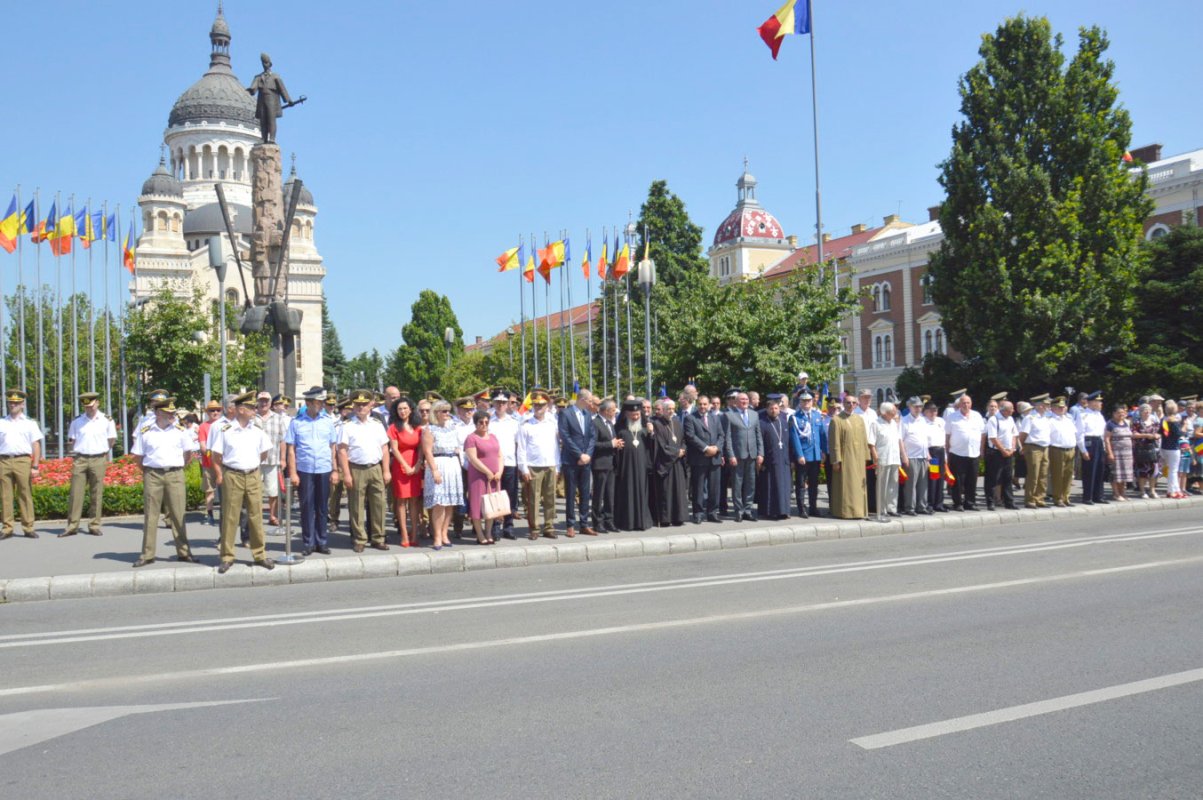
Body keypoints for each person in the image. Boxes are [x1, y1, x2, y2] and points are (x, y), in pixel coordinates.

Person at [129, 396, 199, 566]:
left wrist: (178, 466)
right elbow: (137, 457)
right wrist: (148, 470)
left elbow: (188, 454)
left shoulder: (179, 431)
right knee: (151, 516)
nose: (172, 415)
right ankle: (147, 554)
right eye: (169, 412)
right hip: (153, 474)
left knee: (178, 514)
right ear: (158, 412)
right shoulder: (146, 432)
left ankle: (184, 552)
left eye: (173, 412)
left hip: (175, 473)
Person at [212, 391, 275, 573]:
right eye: (250, 407)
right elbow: (217, 456)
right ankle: (227, 556)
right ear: (240, 409)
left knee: (256, 515)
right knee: (230, 516)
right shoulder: (225, 430)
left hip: (253, 474)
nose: (254, 410)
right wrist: (222, 473)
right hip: (233, 475)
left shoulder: (257, 431)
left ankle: (260, 554)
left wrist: (252, 465)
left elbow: (264, 453)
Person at [286, 385, 338, 556]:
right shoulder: (296, 423)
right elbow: (291, 449)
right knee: (307, 507)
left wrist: (335, 470)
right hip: (305, 469)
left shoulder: (327, 422)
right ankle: (308, 542)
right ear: (308, 403)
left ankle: (322, 541)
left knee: (323, 507)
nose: (322, 405)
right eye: (318, 402)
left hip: (324, 469)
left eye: (322, 402)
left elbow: (332, 447)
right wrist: (293, 473)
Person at [339, 389, 392, 553]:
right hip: (356, 469)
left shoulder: (377, 425)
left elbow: (384, 449)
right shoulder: (347, 426)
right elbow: (342, 451)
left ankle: (378, 538)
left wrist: (386, 470)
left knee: (379, 505)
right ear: (353, 406)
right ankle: (360, 538)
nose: (361, 407)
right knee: (356, 506)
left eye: (364, 404)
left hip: (375, 467)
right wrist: (346, 474)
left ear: (371, 405)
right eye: (357, 404)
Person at [61, 391, 116, 537]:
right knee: (75, 493)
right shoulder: (77, 421)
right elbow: (72, 440)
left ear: (97, 403)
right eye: (86, 407)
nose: (89, 409)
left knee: (96, 493)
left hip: (98, 458)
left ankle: (94, 525)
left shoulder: (107, 420)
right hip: (80, 459)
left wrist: (104, 452)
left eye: (91, 406)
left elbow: (111, 440)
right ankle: (72, 526)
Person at [0, 389, 43, 539]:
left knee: (25, 494)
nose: (13, 405)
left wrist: (35, 466)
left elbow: (36, 444)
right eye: (11, 402)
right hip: (4, 460)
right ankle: (7, 528)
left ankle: (28, 527)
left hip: (23, 460)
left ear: (23, 404)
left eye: (16, 403)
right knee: (5, 496)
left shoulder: (30, 423)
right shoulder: (1, 422)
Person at [516, 391, 559, 540]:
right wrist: (523, 468)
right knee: (533, 500)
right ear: (532, 405)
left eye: (542, 405)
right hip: (533, 466)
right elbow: (521, 448)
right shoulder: (526, 424)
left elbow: (556, 446)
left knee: (550, 498)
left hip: (550, 464)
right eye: (536, 405)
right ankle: (534, 528)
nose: (539, 407)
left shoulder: (552, 423)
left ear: (547, 406)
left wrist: (557, 466)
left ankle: (549, 526)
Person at [558, 388, 596, 536]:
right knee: (571, 493)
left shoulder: (587, 414)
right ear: (582, 399)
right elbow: (565, 437)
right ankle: (570, 525)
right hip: (571, 460)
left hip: (586, 460)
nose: (591, 403)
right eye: (590, 400)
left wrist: (588, 454)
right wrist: (579, 454)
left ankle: (584, 524)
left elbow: (592, 436)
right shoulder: (565, 414)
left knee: (585, 493)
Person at [387, 396, 424, 547]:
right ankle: (404, 535)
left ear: (410, 409)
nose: (402, 411)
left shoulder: (418, 427)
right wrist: (406, 466)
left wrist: (418, 464)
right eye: (399, 409)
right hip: (400, 466)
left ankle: (414, 534)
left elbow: (421, 447)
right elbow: (394, 449)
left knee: (414, 501)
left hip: (416, 465)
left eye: (405, 408)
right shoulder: (393, 427)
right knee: (401, 502)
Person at [613, 398, 654, 531]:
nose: (636, 417)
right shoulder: (620, 430)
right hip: (626, 468)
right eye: (633, 415)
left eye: (638, 415)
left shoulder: (644, 430)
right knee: (627, 492)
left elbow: (651, 447)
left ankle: (642, 521)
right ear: (626, 415)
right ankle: (628, 522)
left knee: (642, 492)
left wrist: (651, 434)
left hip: (642, 468)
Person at [685, 394, 725, 524]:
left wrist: (716, 448)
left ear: (709, 405)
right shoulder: (690, 418)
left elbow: (721, 435)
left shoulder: (715, 418)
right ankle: (698, 513)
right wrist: (706, 448)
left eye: (705, 404)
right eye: (700, 404)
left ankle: (712, 513)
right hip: (699, 458)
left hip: (715, 458)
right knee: (698, 487)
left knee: (714, 487)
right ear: (697, 404)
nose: (703, 407)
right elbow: (691, 436)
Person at [724, 391, 763, 521]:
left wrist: (760, 453)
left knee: (750, 484)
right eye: (742, 400)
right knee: (737, 484)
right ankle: (738, 511)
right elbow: (727, 438)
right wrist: (731, 455)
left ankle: (748, 509)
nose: (745, 401)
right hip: (737, 456)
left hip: (752, 455)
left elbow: (758, 436)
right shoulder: (729, 415)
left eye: (746, 399)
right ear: (736, 402)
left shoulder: (754, 415)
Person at [650, 398, 689, 526]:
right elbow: (660, 444)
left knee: (678, 491)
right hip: (665, 463)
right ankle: (666, 519)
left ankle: (679, 517)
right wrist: (676, 452)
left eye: (672, 409)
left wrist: (683, 449)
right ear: (663, 410)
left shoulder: (677, 423)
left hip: (677, 463)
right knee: (666, 491)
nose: (670, 411)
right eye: (668, 409)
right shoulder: (657, 424)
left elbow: (683, 440)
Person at [828, 396, 869, 519]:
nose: (850, 405)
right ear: (844, 404)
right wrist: (836, 460)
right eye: (848, 402)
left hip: (859, 458)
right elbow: (834, 442)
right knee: (846, 486)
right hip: (845, 458)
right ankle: (845, 512)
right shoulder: (836, 420)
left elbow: (864, 439)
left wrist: (866, 457)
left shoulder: (859, 419)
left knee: (858, 486)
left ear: (856, 405)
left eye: (853, 403)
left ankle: (859, 511)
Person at [464, 410, 501, 545]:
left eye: (486, 422)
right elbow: (472, 458)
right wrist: (486, 471)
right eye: (481, 422)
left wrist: (499, 472)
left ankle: (489, 532)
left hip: (494, 477)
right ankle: (480, 534)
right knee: (477, 504)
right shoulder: (471, 438)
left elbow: (499, 456)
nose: (484, 425)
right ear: (475, 423)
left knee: (491, 505)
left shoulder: (493, 437)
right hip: (478, 477)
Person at [788, 391, 825, 519]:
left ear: (812, 401)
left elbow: (822, 435)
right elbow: (794, 438)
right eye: (804, 401)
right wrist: (799, 455)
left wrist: (823, 451)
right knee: (801, 483)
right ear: (800, 402)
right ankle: (801, 508)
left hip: (815, 455)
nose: (806, 403)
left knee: (814, 484)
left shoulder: (817, 415)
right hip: (803, 456)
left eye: (808, 400)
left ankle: (813, 507)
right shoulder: (794, 417)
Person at [945, 393, 985, 511]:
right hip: (957, 453)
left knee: (972, 479)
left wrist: (981, 449)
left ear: (971, 404)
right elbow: (947, 436)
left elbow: (982, 434)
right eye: (963, 403)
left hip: (973, 453)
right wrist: (947, 451)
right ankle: (957, 503)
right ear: (959, 404)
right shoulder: (952, 417)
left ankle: (970, 502)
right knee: (958, 480)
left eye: (968, 403)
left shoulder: (977, 416)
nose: (966, 405)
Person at [756, 395, 792, 521]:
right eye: (771, 408)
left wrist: (791, 459)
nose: (774, 411)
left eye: (776, 408)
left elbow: (788, 442)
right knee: (771, 486)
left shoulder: (784, 422)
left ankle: (784, 511)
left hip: (784, 460)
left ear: (779, 409)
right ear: (767, 409)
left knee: (785, 487)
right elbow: (759, 442)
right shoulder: (762, 423)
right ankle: (770, 512)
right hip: (770, 461)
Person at [256, 391, 288, 528]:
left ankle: (272, 515)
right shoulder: (252, 417)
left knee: (272, 490)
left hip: (273, 459)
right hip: (254, 461)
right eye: (261, 401)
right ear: (257, 402)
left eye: (266, 401)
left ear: (270, 403)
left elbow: (283, 440)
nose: (263, 403)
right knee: (254, 490)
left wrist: (283, 459)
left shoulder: (278, 418)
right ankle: (255, 516)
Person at [591, 398, 621, 532]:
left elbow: (611, 441)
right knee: (599, 495)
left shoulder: (609, 423)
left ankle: (609, 520)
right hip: (600, 464)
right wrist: (611, 444)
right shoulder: (595, 423)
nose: (615, 412)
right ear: (606, 411)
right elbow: (593, 445)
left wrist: (617, 444)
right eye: (613, 410)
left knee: (610, 495)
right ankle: (597, 522)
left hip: (611, 464)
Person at [870, 402, 902, 521]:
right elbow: (871, 443)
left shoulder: (894, 423)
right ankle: (882, 510)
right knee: (882, 485)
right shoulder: (876, 423)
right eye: (893, 411)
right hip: (883, 458)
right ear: (885, 412)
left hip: (894, 457)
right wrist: (875, 458)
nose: (895, 412)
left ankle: (892, 508)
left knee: (894, 484)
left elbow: (898, 439)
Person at [984, 400, 1019, 510]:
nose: (1013, 411)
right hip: (996, 453)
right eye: (1011, 409)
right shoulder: (993, 420)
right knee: (993, 478)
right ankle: (991, 502)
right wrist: (1003, 450)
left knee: (1008, 478)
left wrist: (1012, 448)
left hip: (1009, 452)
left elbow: (1014, 435)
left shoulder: (1010, 419)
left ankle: (1009, 502)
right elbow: (993, 438)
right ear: (1004, 410)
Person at [1019, 394, 1052, 508]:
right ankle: (1030, 499)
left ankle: (1040, 498)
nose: (1048, 406)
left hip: (1045, 447)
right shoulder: (1030, 418)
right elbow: (1023, 435)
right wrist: (1022, 447)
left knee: (1043, 474)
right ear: (1039, 406)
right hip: (1033, 447)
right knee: (1033, 474)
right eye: (1046, 404)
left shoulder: (1045, 418)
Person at [1076, 391, 1108, 504]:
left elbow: (1103, 433)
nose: (1101, 404)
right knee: (1089, 471)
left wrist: (1104, 447)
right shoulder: (1083, 415)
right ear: (1092, 403)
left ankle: (1098, 496)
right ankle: (1087, 497)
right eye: (1099, 402)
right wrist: (1083, 450)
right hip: (1089, 442)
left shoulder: (1099, 415)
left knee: (1100, 470)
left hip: (1099, 442)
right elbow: (1079, 434)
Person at [899, 397, 930, 516]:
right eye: (916, 406)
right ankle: (909, 507)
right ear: (910, 407)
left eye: (920, 406)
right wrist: (904, 456)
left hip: (922, 456)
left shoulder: (923, 420)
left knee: (923, 483)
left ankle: (922, 506)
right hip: (911, 456)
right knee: (911, 484)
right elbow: (900, 440)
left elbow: (924, 439)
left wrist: (927, 454)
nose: (918, 408)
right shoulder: (904, 421)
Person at [1047, 396, 1078, 507]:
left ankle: (1066, 497)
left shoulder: (1069, 420)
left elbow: (1074, 434)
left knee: (1068, 475)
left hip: (1070, 449)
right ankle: (1058, 498)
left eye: (1063, 407)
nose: (1062, 409)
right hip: (1057, 450)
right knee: (1057, 475)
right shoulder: (1050, 421)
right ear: (1053, 408)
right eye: (1059, 407)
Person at [852, 389, 879, 514]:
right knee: (860, 477)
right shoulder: (855, 413)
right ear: (859, 399)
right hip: (860, 449)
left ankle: (872, 505)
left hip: (872, 448)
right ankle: (861, 505)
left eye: (869, 397)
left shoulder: (873, 413)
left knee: (872, 478)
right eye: (864, 397)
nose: (867, 400)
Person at [196, 400, 222, 523]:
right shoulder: (203, 427)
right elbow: (202, 446)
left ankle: (227, 515)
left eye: (218, 410)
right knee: (209, 491)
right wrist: (213, 456)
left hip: (224, 464)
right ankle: (210, 515)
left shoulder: (226, 424)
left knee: (228, 492)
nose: (215, 412)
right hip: (209, 464)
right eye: (212, 410)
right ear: (207, 412)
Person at [1103, 404, 1134, 503]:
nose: (1121, 414)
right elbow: (1107, 439)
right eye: (1118, 413)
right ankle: (1116, 493)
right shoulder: (1110, 424)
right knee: (1116, 474)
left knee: (1124, 474)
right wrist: (1110, 453)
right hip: (1116, 453)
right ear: (1114, 414)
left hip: (1127, 454)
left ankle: (1123, 493)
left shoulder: (1126, 423)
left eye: (1123, 413)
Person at [1132, 403, 1161, 498]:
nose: (1147, 412)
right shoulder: (1137, 423)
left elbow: (1160, 433)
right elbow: (1134, 434)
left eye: (1149, 410)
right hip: (1141, 449)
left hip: (1153, 449)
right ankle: (1142, 491)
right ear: (1140, 412)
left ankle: (1152, 490)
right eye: (1145, 410)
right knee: (1142, 471)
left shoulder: (1154, 423)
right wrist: (1146, 435)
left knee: (1154, 471)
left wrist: (1157, 436)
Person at [1159, 400, 1185, 498]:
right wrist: (1185, 427)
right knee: (1173, 471)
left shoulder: (1163, 420)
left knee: (1170, 470)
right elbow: (1178, 434)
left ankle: (1176, 489)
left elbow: (1162, 432)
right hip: (1174, 448)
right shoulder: (1174, 421)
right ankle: (1172, 491)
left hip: (1164, 447)